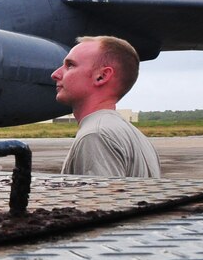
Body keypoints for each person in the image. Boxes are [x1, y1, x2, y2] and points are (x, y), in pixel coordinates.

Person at [51, 35, 161, 178]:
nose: (55, 74)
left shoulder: (96, 136)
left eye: (70, 65)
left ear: (101, 76)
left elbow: (99, 199)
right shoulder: (136, 137)